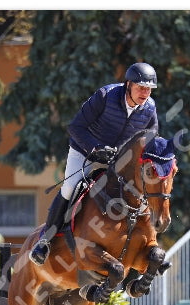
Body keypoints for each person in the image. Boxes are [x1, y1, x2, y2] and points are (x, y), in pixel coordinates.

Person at [30, 62, 160, 265]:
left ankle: (149, 247)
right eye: (141, 87)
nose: (145, 93)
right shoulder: (105, 96)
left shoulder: (149, 108)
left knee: (141, 191)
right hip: (85, 151)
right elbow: (75, 127)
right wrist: (95, 147)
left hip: (117, 161)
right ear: (128, 84)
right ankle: (44, 241)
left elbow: (151, 139)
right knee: (70, 187)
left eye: (149, 89)